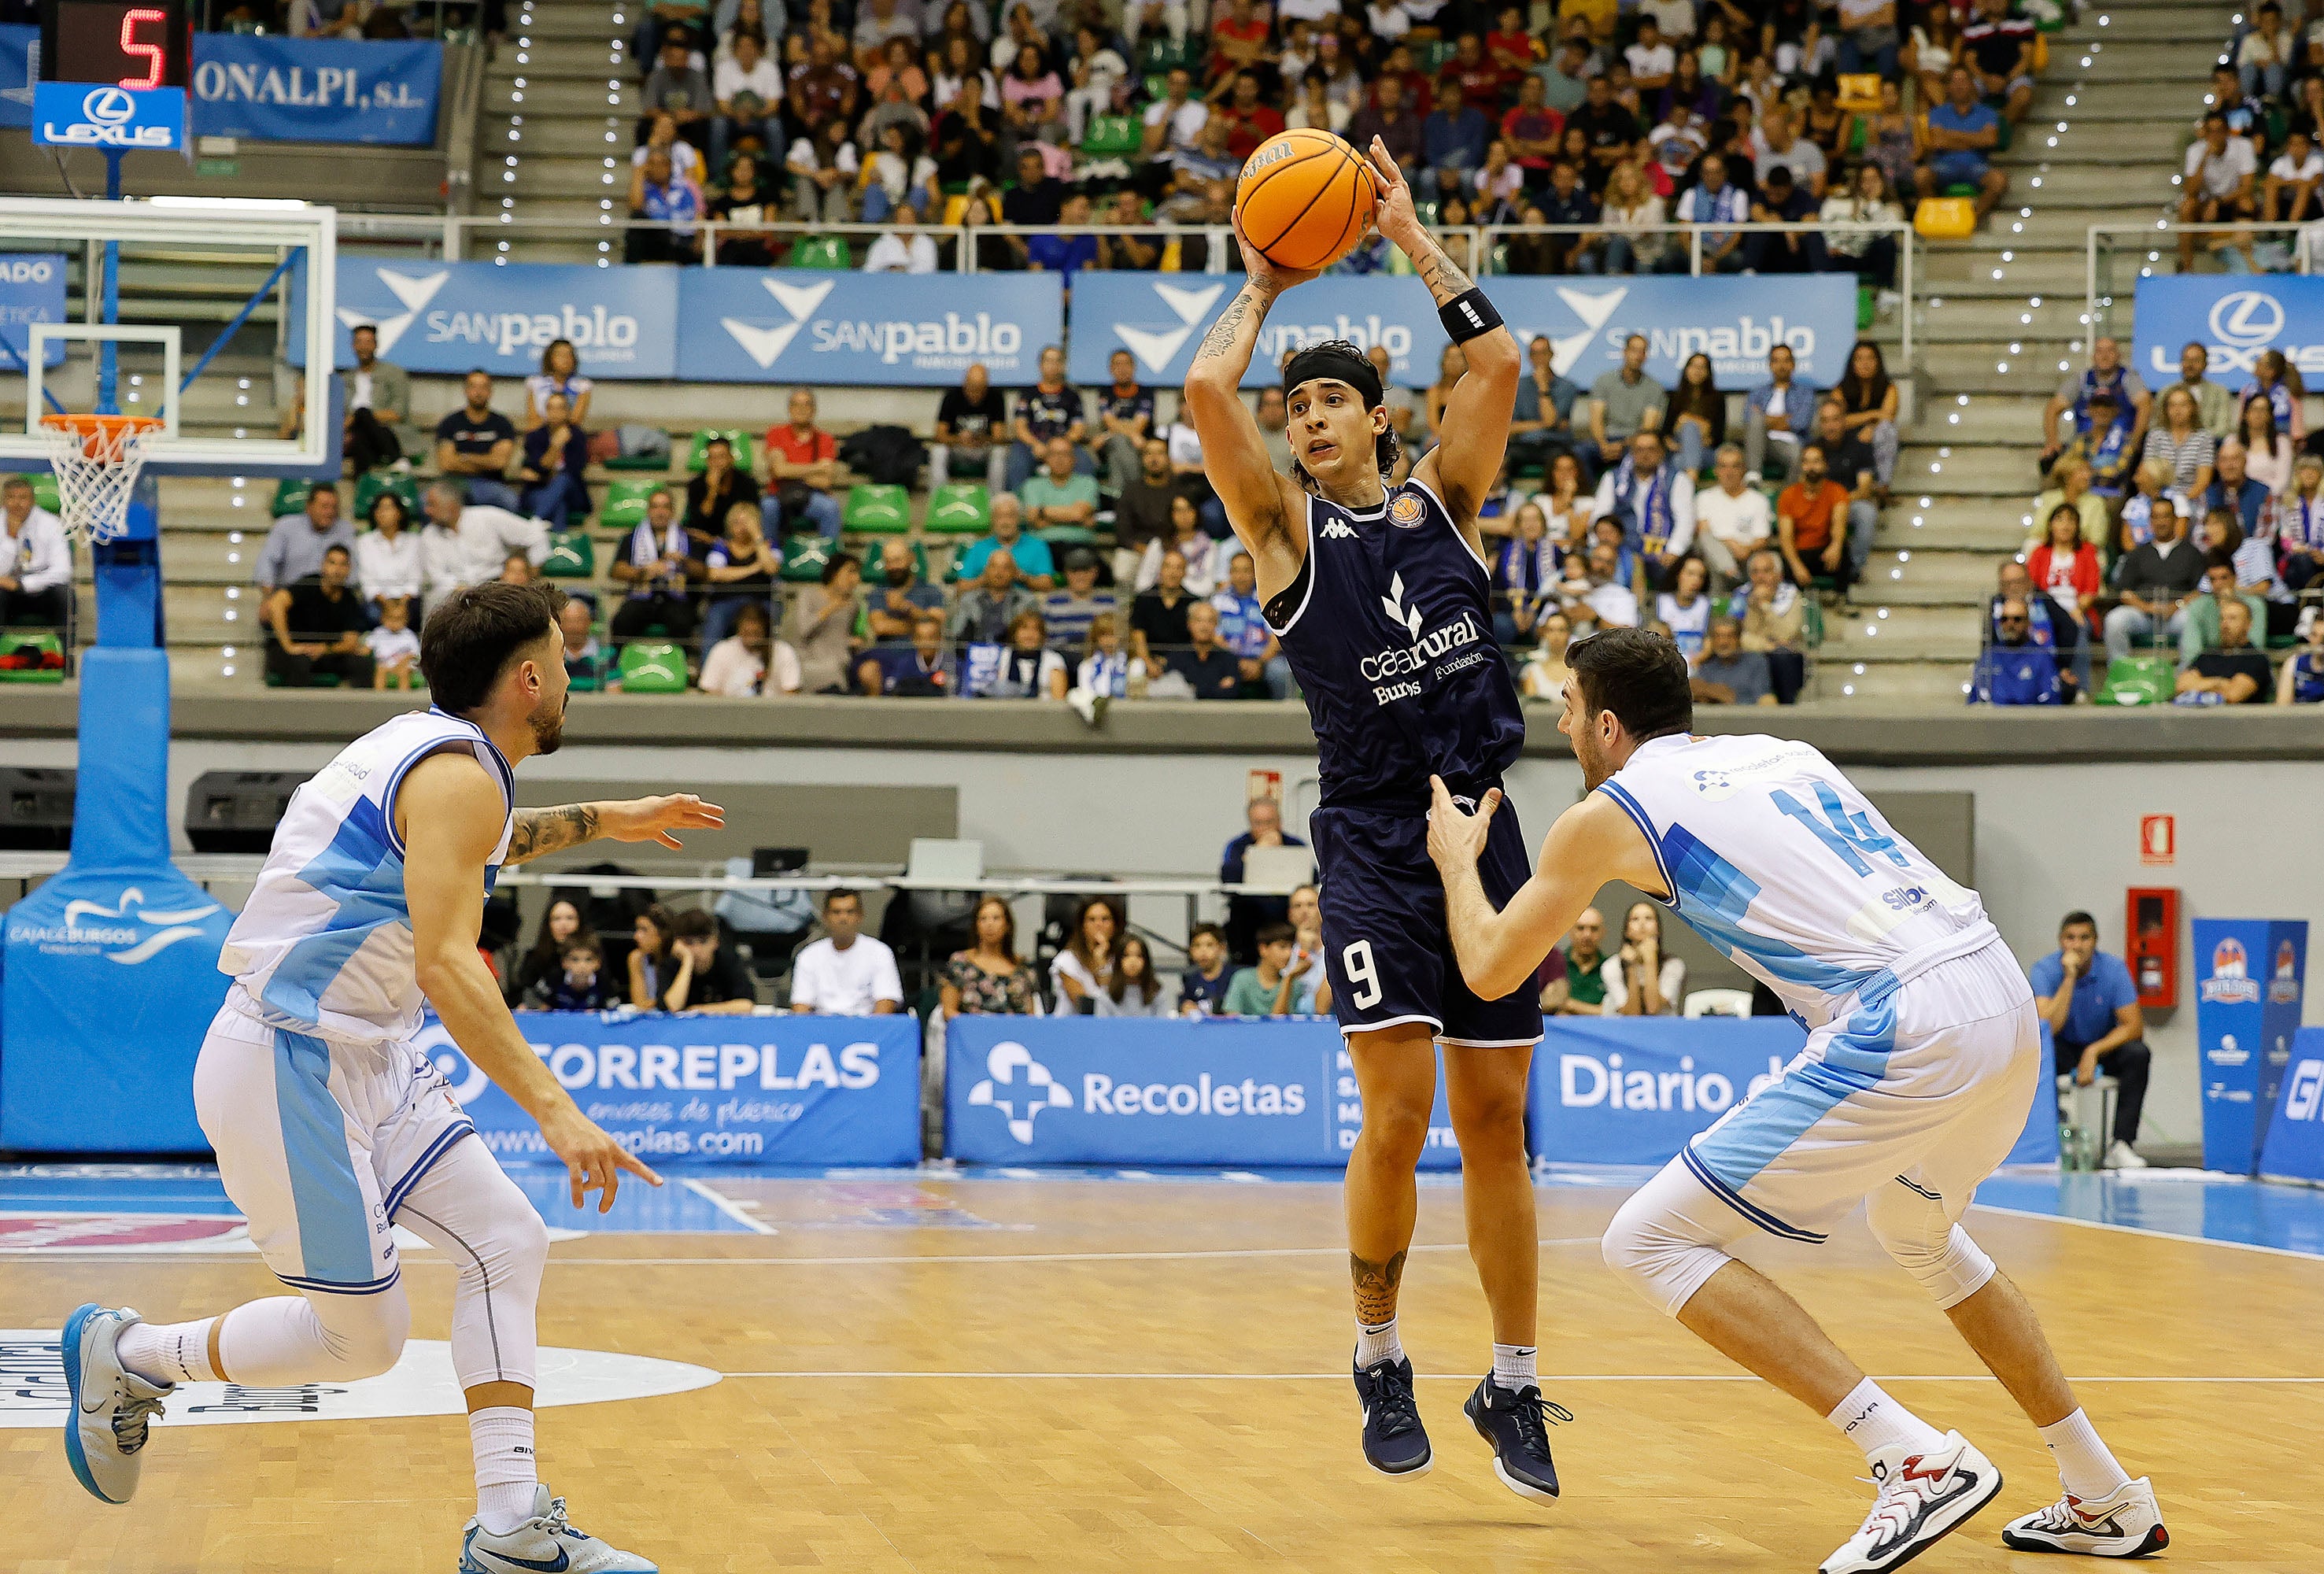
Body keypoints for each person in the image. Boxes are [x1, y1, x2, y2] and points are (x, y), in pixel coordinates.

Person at [1427, 627, 2167, 1572]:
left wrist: (1457, 859)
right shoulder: (1783, 752)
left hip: (1902, 1019)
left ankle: (1913, 1457)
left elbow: (1491, 969)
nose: (1563, 727)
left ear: (1608, 725)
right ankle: (2103, 1489)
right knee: (1917, 1228)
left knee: (1646, 1239)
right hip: (1997, 988)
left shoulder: (1608, 811)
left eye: (1569, 711)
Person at [64, 580, 716, 1571]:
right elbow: (447, 963)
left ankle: (510, 1527)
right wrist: (558, 1110)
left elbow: (485, 843)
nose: (571, 678)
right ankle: (133, 1354)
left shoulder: (449, 758)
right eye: (565, 660)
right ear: (530, 675)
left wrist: (605, 817)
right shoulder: (458, 775)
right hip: (288, 1063)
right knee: (362, 1340)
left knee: (506, 1237)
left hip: (370, 1054)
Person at [1183, 136, 1560, 1496]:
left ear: (1380, 417)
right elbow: (1203, 388)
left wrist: (1406, 235)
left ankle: (1512, 1384)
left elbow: (1500, 363)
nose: (1310, 421)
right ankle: (1377, 1353)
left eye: (1334, 403)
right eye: (1301, 411)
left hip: (1487, 826)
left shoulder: (1444, 504)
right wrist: (1265, 283)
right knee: (1397, 1113)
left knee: (1498, 1122)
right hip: (1373, 841)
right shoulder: (1284, 538)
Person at [2030, 913, 2151, 1170]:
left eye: (2084, 938)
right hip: (2061, 1046)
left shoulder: (2114, 969)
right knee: (2038, 1054)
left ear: (2095, 942)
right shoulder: (2044, 970)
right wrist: (2069, 977)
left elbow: (2134, 1026)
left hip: (2100, 1046)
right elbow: (2048, 1027)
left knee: (2138, 1053)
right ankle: (2050, 1143)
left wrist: (2094, 1051)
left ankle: (2121, 1145)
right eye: (2070, 938)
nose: (2077, 945)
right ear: (2061, 941)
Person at [264, 544, 375, 689]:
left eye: (343, 564)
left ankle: (361, 710)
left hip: (325, 653)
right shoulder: (308, 584)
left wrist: (324, 649)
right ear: (323, 565)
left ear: (349, 569)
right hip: (291, 652)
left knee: (362, 664)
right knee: (300, 663)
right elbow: (275, 605)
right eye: (332, 563)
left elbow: (351, 641)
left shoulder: (349, 599)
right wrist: (290, 646)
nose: (337, 570)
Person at [2103, 504, 2202, 663]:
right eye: (2156, 517)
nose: (2161, 522)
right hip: (2143, 615)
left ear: (2175, 519)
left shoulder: (2192, 553)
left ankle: (2185, 678)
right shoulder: (2137, 554)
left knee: (2191, 620)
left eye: (2165, 516)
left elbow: (2200, 591)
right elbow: (2123, 591)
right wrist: (2146, 607)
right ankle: (2120, 675)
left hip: (2176, 615)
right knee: (2115, 620)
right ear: (2150, 521)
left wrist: (2177, 606)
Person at [1916, 65, 2008, 224]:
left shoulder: (1988, 113)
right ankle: (1940, 217)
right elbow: (1938, 141)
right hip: (1943, 166)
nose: (1959, 85)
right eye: (1955, 81)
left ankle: (1971, 220)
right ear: (1948, 87)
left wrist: (1952, 135)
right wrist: (1975, 139)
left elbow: (1989, 140)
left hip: (1977, 167)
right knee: (1921, 176)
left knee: (1999, 181)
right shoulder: (1937, 113)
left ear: (1972, 84)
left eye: (1964, 81)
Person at [789, 889, 903, 1014]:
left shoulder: (880, 952)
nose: (843, 918)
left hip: (866, 1028)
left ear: (860, 915)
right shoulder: (808, 955)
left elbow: (886, 1004)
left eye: (850, 912)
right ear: (825, 916)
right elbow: (800, 1008)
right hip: (820, 1028)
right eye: (836, 912)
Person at [609, 486, 698, 644]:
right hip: (642, 597)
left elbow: (703, 571)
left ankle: (684, 665)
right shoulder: (632, 537)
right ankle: (616, 664)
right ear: (649, 510)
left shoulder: (687, 537)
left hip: (675, 598)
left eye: (665, 507)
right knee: (622, 621)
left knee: (683, 622)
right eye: (655, 506)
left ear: (672, 511)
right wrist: (643, 572)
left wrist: (684, 561)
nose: (660, 512)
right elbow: (616, 571)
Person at [2178, 112, 2259, 273]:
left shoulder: (2243, 146)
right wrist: (2204, 160)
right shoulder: (2195, 151)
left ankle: (2250, 265)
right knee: (2186, 207)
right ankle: (2187, 268)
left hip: (2232, 200)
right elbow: (2190, 191)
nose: (2215, 136)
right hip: (2205, 205)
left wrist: (2218, 202)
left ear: (2227, 131)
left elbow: (2248, 186)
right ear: (2205, 133)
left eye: (2219, 131)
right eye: (2211, 132)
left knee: (2247, 203)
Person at [434, 371, 523, 512]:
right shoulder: (450, 422)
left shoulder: (502, 424)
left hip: (490, 483)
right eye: (473, 387)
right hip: (455, 482)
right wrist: (485, 462)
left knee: (510, 501)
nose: (478, 392)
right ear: (466, 390)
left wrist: (465, 458)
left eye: (483, 387)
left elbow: (499, 462)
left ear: (490, 392)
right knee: (425, 502)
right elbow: (447, 463)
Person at [763, 388, 845, 539]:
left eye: (806, 405)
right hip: (780, 494)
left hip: (812, 497)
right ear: (789, 409)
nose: (801, 410)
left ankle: (830, 557)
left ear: (814, 410)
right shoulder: (776, 434)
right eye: (796, 405)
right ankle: (771, 553)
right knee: (768, 506)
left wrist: (790, 471)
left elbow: (825, 481)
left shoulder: (824, 439)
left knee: (830, 507)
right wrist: (816, 468)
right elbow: (779, 471)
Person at [940, 896, 1043, 1016]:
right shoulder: (960, 962)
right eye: (983, 919)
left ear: (1007, 925)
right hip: (973, 1031)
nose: (990, 924)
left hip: (1014, 1032)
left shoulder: (1025, 966)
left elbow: (1031, 1014)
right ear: (976, 926)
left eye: (996, 918)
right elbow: (948, 1011)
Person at [1776, 444, 1855, 593]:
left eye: (1816, 461)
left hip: (1823, 551)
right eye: (1806, 462)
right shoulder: (1788, 495)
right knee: (1786, 561)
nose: (1811, 467)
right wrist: (1796, 565)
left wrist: (1836, 545)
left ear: (1825, 465)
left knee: (1843, 549)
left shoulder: (1837, 491)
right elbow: (1786, 537)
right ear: (1801, 466)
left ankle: (1842, 598)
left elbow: (1839, 524)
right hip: (1799, 552)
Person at [1009, 345, 1088, 492]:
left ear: (1062, 366)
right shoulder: (1028, 394)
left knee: (1084, 461)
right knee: (1017, 461)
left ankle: (1082, 506)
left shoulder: (1072, 395)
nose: (1053, 365)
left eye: (1057, 361)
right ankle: (1019, 507)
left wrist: (1060, 445)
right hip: (1032, 444)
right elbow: (1020, 427)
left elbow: (1078, 429)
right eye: (1048, 361)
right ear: (1040, 365)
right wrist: (1035, 444)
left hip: (1064, 443)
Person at [1693, 444, 1771, 590]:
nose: (1729, 472)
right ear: (1716, 471)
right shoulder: (1705, 497)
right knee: (1708, 542)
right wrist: (1730, 543)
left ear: (1743, 470)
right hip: (1713, 555)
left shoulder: (1759, 500)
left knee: (1768, 562)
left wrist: (1745, 549)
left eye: (1735, 466)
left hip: (1747, 557)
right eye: (1723, 467)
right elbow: (1704, 532)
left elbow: (1762, 540)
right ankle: (1729, 572)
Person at [256, 485, 357, 597]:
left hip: (331, 600)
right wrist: (269, 598)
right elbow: (266, 563)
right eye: (325, 507)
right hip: (290, 599)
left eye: (334, 507)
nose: (330, 512)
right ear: (309, 507)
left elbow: (353, 571)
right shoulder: (285, 526)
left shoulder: (345, 530)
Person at [0, 473, 73, 629]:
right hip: (9, 593)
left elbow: (63, 571)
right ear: (3, 501)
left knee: (65, 594)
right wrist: (11, 538)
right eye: (11, 497)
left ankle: (65, 651)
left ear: (32, 501)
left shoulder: (50, 524)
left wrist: (23, 585)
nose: (17, 504)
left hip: (42, 589)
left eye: (23, 498)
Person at [1589, 333, 1667, 475]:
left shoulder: (1655, 388)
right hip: (1604, 440)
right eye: (1634, 350)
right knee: (1579, 454)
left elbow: (1648, 428)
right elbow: (1596, 419)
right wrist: (1603, 444)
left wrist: (1623, 445)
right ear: (1624, 352)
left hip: (1634, 443)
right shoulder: (1603, 381)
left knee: (1642, 455)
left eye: (1642, 351)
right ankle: (1585, 496)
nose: (1637, 356)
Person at [339, 323, 412, 471]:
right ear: (353, 346)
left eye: (368, 342)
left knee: (362, 413)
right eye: (359, 342)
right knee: (360, 436)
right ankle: (396, 460)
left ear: (376, 345)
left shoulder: (394, 373)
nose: (363, 347)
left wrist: (358, 417)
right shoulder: (346, 378)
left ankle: (393, 457)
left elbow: (398, 413)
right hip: (353, 436)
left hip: (387, 434)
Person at [788, 552, 863, 694]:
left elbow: (842, 636)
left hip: (840, 664)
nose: (856, 579)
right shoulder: (808, 596)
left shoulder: (853, 605)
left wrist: (852, 642)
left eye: (857, 574)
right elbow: (804, 630)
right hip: (810, 663)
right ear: (834, 573)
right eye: (851, 572)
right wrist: (831, 608)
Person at [1971, 597, 2067, 706]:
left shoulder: (2041, 656)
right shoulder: (1989, 656)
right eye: (2004, 619)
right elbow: (1976, 697)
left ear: (2028, 623)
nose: (2010, 624)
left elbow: (2051, 699)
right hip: (1994, 719)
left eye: (2017, 619)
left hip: (2029, 719)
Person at [931, 362, 1011, 494]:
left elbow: (999, 437)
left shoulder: (995, 397)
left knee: (1000, 453)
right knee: (938, 451)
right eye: (972, 388)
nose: (975, 393)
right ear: (965, 383)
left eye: (980, 388)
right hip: (958, 448)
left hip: (984, 448)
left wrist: (981, 438)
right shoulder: (952, 397)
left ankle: (995, 502)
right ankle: (939, 498)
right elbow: (939, 435)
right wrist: (959, 439)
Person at [2176, 596, 2271, 705]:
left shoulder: (2255, 658)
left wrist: (2199, 684)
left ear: (2248, 625)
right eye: (2222, 618)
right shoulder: (2209, 654)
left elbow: (2234, 695)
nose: (2225, 624)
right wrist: (2220, 683)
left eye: (2232, 618)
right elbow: (2181, 686)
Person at [659, 908, 758, 1013]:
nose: (696, 950)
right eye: (688, 943)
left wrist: (699, 1010)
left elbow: (746, 1005)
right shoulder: (671, 964)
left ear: (715, 942)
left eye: (703, 941)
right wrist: (687, 962)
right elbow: (671, 1007)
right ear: (677, 945)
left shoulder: (728, 960)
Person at [1744, 344, 1816, 484]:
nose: (1781, 365)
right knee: (1755, 420)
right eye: (1776, 361)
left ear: (1793, 364)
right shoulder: (1757, 392)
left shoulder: (1805, 393)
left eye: (1786, 361)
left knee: (1798, 454)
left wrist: (1766, 421)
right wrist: (1784, 419)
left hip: (1790, 443)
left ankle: (1788, 496)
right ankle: (1753, 477)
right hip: (1762, 442)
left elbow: (1801, 422)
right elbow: (1748, 419)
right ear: (1770, 365)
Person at [515, 392, 589, 527]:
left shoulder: (577, 436)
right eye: (550, 408)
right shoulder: (535, 437)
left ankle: (534, 525)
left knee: (563, 480)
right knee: (558, 504)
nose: (554, 413)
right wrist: (556, 445)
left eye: (560, 408)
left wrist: (541, 476)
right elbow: (533, 466)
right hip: (539, 492)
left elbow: (574, 470)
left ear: (568, 412)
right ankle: (557, 545)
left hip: (572, 493)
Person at [699, 600, 801, 696]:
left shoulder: (783, 651)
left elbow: (791, 694)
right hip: (730, 712)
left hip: (773, 713)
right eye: (747, 633)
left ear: (765, 629)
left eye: (756, 633)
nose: (751, 638)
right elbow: (709, 693)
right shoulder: (721, 650)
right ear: (738, 629)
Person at [1601, 900, 1684, 1015]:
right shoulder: (1611, 966)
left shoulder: (1674, 965)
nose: (1642, 924)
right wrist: (1630, 967)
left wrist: (1650, 960)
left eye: (1649, 918)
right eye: (1635, 919)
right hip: (1625, 1030)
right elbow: (1632, 1014)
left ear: (1658, 928)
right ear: (1626, 930)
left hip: (1663, 1029)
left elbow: (1653, 1008)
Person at [1221, 921, 1323, 1015]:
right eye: (1282, 947)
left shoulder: (1294, 984)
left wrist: (1288, 979)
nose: (1288, 954)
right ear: (1263, 949)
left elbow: (1280, 1023)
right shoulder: (1242, 978)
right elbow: (1232, 1019)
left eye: (1291, 947)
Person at [509, 897, 592, 1006]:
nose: (564, 924)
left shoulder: (593, 955)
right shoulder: (534, 958)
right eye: (557, 919)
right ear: (548, 924)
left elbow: (607, 994)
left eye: (570, 918)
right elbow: (520, 995)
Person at [1049, 893, 1121, 1011]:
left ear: (1114, 926)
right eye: (1092, 920)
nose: (1099, 925)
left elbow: (1119, 1002)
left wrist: (1101, 960)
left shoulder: (1122, 959)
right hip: (1075, 1026)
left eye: (1105, 919)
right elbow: (1085, 1006)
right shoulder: (1067, 961)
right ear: (1083, 926)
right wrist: (1101, 967)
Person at [1022, 438, 1100, 540]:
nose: (1059, 459)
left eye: (1065, 454)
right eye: (1054, 454)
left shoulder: (1088, 483)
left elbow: (1078, 514)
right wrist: (1074, 519)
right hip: (1043, 546)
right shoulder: (1032, 485)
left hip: (1078, 545)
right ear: (1046, 459)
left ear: (1074, 459)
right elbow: (1033, 517)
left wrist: (1042, 512)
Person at [1691, 615, 1775, 705]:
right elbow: (1694, 689)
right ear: (1711, 640)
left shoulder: (1756, 661)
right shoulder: (1707, 663)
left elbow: (1762, 696)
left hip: (1746, 714)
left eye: (1729, 636)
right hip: (1714, 716)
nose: (1723, 642)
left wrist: (1720, 695)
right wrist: (1720, 694)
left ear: (1738, 639)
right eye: (1718, 637)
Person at [1542, 904, 1607, 1015]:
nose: (1587, 935)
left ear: (1603, 932)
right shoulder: (1553, 965)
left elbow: (1616, 1013)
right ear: (1570, 931)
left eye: (1594, 929)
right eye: (1580, 928)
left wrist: (1568, 1004)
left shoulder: (1612, 966)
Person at [1094, 934, 1172, 1017]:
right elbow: (1101, 1027)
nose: (1133, 961)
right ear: (1117, 961)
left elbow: (1162, 1026)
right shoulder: (1106, 993)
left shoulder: (1157, 992)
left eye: (1139, 956)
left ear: (1146, 961)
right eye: (1126, 955)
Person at [525, 338, 593, 430]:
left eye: (569, 355)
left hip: (568, 435)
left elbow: (576, 420)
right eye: (561, 355)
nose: (566, 360)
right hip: (541, 433)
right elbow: (533, 419)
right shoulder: (535, 383)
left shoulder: (583, 386)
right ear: (550, 358)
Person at [1177, 922, 1235, 1016]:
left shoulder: (1235, 976)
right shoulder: (1190, 979)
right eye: (1197, 946)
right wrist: (1186, 1006)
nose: (1203, 951)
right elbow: (1185, 1003)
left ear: (1222, 948)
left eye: (1209, 945)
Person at [366, 595, 422, 690]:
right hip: (385, 664)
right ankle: (379, 697)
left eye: (399, 619)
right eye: (391, 618)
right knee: (380, 669)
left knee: (404, 671)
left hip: (404, 664)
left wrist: (403, 661)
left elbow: (415, 654)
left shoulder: (409, 635)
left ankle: (403, 699)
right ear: (383, 618)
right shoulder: (378, 633)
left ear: (406, 620)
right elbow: (366, 648)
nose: (394, 622)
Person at [628, 903, 677, 1009]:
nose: (636, 936)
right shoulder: (636, 958)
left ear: (663, 933)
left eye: (644, 930)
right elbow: (641, 1004)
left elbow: (677, 1003)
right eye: (637, 929)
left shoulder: (678, 959)